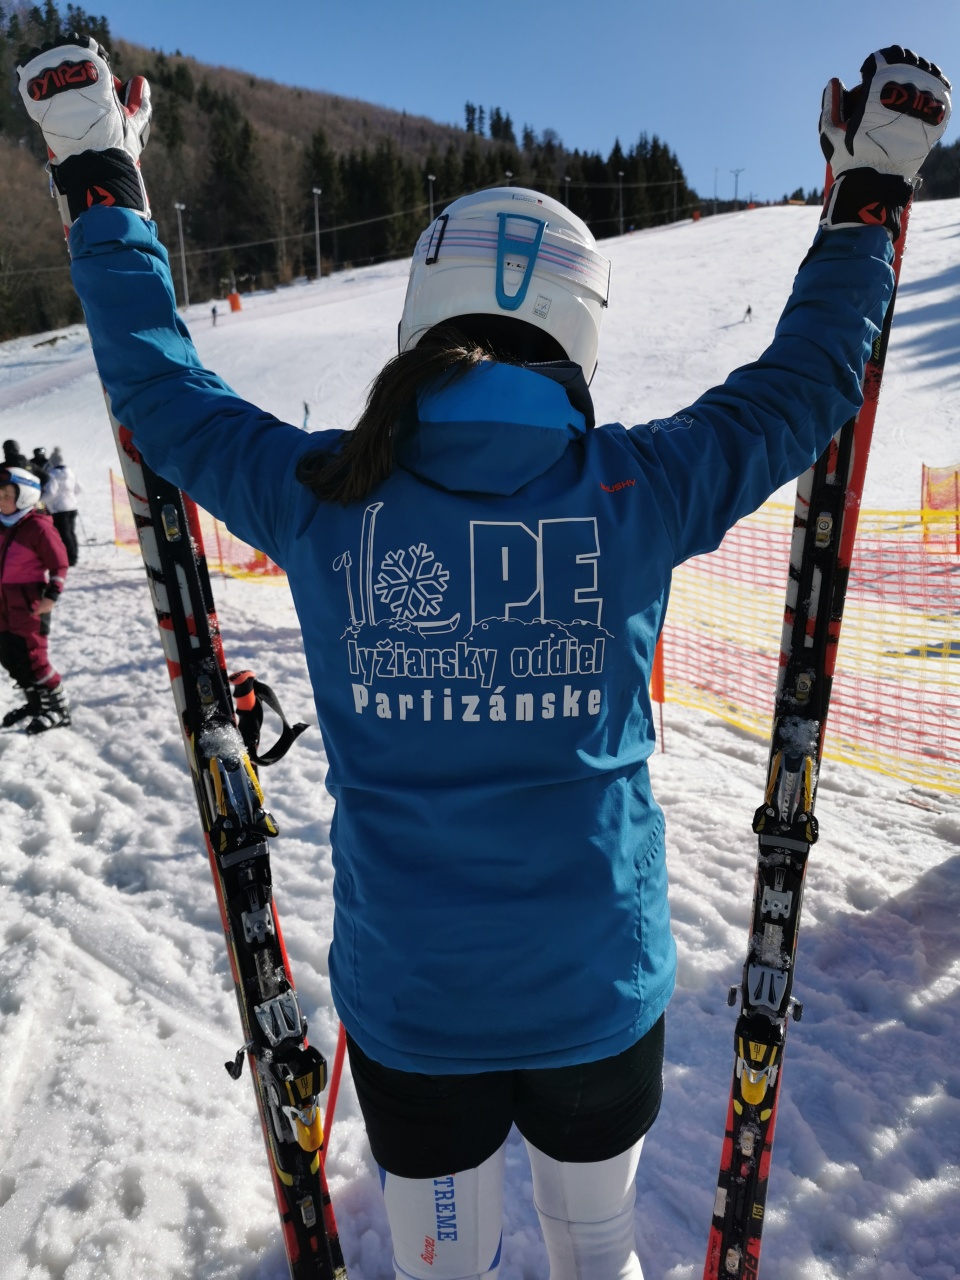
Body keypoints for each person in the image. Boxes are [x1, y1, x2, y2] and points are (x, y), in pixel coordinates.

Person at [18, 39, 950, 1279]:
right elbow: (809, 381)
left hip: (420, 1010)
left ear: (420, 313)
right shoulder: (638, 485)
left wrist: (101, 183)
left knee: (444, 1265)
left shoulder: (323, 492)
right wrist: (871, 191)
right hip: (598, 998)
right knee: (597, 1246)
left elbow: (157, 388)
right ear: (579, 330)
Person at [0, 466, 71, 732]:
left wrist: (51, 596)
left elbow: (59, 564)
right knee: (9, 655)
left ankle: (59, 709)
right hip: (2, 602)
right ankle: (36, 704)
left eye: (7, 495)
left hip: (28, 601)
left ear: (25, 496)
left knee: (33, 657)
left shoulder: (37, 527)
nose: (1, 500)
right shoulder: (2, 524)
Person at [42, 447, 83, 566]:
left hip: (59, 509)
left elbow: (51, 493)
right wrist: (70, 496)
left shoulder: (52, 475)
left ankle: (69, 558)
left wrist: (40, 500)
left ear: (52, 462)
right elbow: (79, 489)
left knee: (63, 534)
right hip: (72, 507)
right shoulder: (70, 473)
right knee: (71, 532)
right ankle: (74, 555)